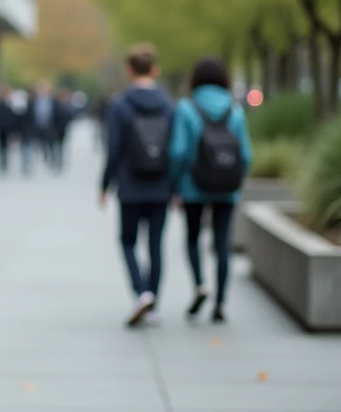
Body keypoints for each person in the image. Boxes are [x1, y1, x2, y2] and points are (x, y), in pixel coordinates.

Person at [169, 56, 253, 324]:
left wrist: (175, 184)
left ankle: (200, 285)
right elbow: (247, 154)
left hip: (193, 186)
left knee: (193, 237)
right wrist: (237, 180)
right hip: (226, 188)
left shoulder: (186, 107)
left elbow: (178, 151)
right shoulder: (235, 109)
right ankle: (221, 303)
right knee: (221, 243)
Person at [98, 43, 175, 328]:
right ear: (155, 69)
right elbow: (176, 150)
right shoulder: (169, 104)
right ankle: (153, 302)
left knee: (128, 241)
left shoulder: (120, 104)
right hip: (160, 186)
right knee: (155, 244)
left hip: (130, 186)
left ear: (129, 69)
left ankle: (141, 292)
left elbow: (113, 148)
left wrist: (104, 185)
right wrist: (175, 186)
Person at [0, 85, 19, 174]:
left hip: (9, 129)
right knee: (2, 147)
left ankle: (5, 164)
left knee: (7, 147)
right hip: (2, 128)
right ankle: (2, 164)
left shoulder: (10, 104)